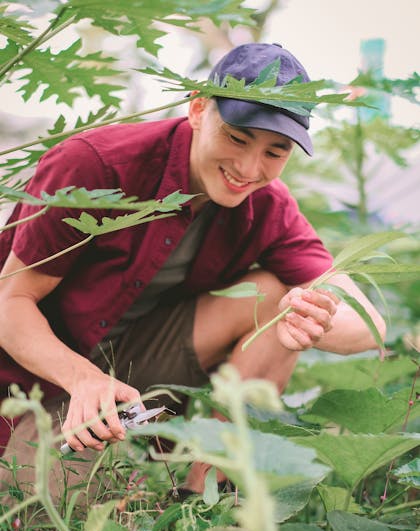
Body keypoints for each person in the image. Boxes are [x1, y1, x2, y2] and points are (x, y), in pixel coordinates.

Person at [0, 43, 385, 501]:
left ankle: (205, 497)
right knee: (52, 511)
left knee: (276, 294)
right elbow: (10, 302)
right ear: (198, 109)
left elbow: (369, 323)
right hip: (35, 377)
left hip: (135, 362)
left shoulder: (268, 205)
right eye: (237, 139)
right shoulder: (97, 164)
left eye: (275, 152)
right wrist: (82, 379)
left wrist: (316, 319)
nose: (249, 169)